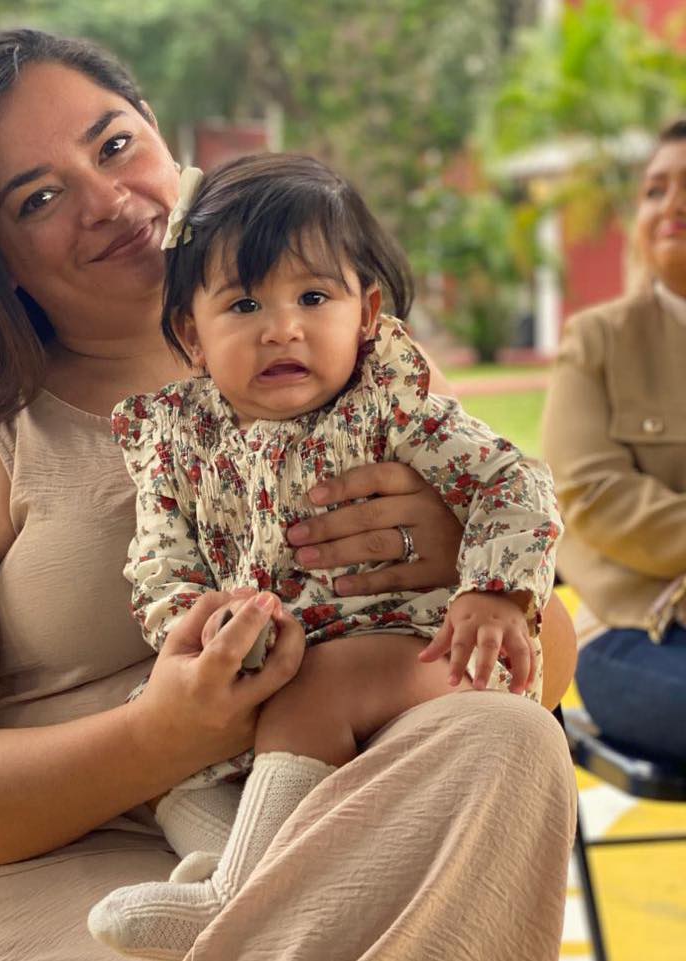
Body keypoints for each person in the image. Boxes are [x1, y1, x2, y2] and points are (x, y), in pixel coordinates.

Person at [0, 28, 577, 961]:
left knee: (512, 740)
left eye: (114, 145)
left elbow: (545, 669)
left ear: (160, 135)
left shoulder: (367, 372)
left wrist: (458, 559)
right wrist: (161, 734)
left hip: (346, 822)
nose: (106, 200)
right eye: (40, 197)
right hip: (69, 870)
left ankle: (250, 912)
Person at [86, 154, 562, 958]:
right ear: (192, 334)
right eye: (244, 304)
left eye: (313, 297)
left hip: (408, 651)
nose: (283, 328)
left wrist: (494, 591)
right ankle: (247, 878)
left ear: (366, 311)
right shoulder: (176, 439)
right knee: (174, 773)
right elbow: (161, 559)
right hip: (262, 669)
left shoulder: (392, 409)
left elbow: (515, 481)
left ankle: (231, 900)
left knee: (316, 687)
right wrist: (202, 625)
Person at [542, 118, 686, 761]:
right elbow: (592, 494)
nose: (671, 205)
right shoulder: (599, 340)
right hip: (636, 632)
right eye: (655, 190)